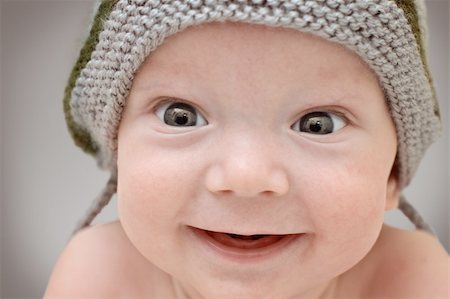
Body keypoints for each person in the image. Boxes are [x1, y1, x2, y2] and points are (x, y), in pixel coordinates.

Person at [45, 1, 449, 298]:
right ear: (118, 151)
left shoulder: (412, 279)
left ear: (392, 175)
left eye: (318, 124)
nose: (246, 175)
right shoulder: (99, 277)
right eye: (180, 116)